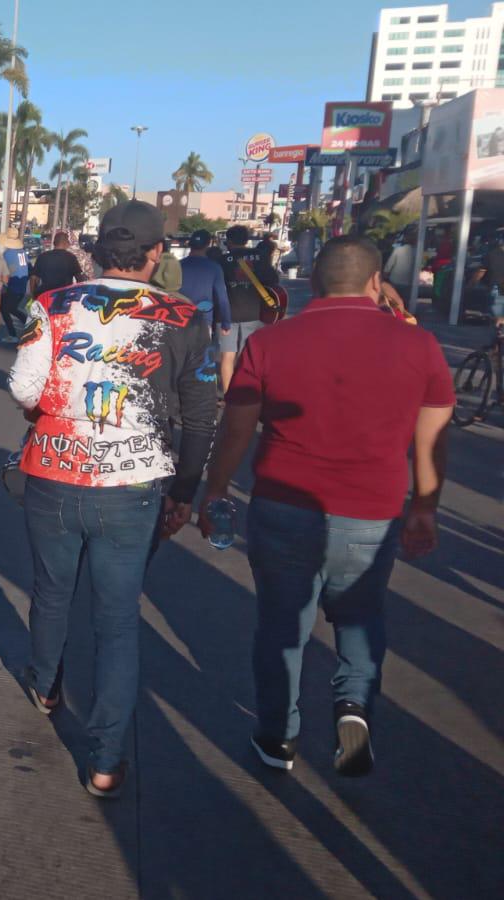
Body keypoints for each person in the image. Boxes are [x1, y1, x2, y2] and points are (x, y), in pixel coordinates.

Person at [198, 235, 453, 778]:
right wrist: (425, 507)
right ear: (374, 282)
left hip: (284, 505)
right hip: (373, 510)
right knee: (360, 613)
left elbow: (237, 427)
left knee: (281, 625)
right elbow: (431, 439)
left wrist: (215, 488)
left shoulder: (270, 343)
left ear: (313, 282)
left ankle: (277, 737)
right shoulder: (420, 346)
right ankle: (353, 706)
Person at [9, 200, 218, 798]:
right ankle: (104, 760)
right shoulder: (184, 317)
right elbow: (201, 417)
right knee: (118, 621)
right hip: (134, 486)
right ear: (156, 255)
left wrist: (46, 407)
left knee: (51, 590)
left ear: (98, 249)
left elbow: (24, 386)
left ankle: (45, 685)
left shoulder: (50, 305)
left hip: (52, 471)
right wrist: (185, 491)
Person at [214, 225, 281, 392]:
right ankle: (247, 391)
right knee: (249, 355)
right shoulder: (260, 257)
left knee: (227, 356)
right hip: (254, 312)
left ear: (228, 241)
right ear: (246, 240)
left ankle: (229, 394)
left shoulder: (222, 261)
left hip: (226, 315)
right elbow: (273, 280)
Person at [179, 230, 231, 342]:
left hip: (178, 318)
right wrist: (225, 322)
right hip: (203, 319)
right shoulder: (214, 268)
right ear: (208, 244)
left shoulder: (178, 265)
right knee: (201, 357)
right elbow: (222, 298)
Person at [29, 230, 85, 298]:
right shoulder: (71, 257)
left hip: (45, 296)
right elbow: (79, 278)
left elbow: (33, 278)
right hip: (63, 297)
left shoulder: (43, 256)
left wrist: (33, 295)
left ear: (54, 243)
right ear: (65, 243)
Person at [0, 226, 31, 338]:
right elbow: (28, 268)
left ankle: (14, 334)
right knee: (11, 308)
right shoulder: (22, 252)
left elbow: (8, 271)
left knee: (5, 308)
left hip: (13, 287)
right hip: (21, 287)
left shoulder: (8, 254)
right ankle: (27, 324)